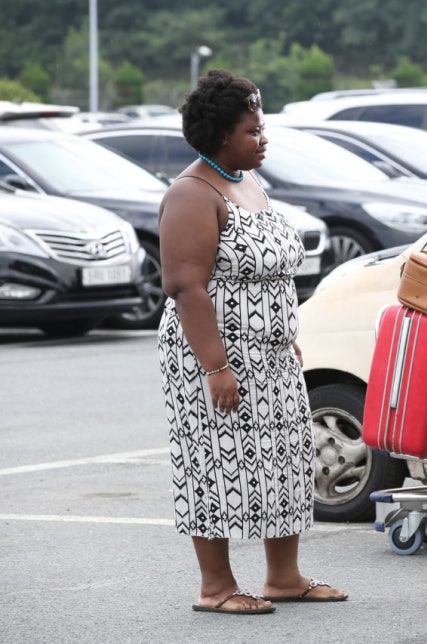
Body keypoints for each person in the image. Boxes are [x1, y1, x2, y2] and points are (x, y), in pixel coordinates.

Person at [157, 69, 347, 614]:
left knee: (284, 459)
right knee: (215, 463)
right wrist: (216, 366)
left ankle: (283, 578)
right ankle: (216, 586)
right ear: (221, 135)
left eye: (262, 129)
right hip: (213, 355)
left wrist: (285, 338)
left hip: (272, 354)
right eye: (253, 131)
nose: (263, 139)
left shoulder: (247, 181)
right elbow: (185, 286)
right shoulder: (193, 192)